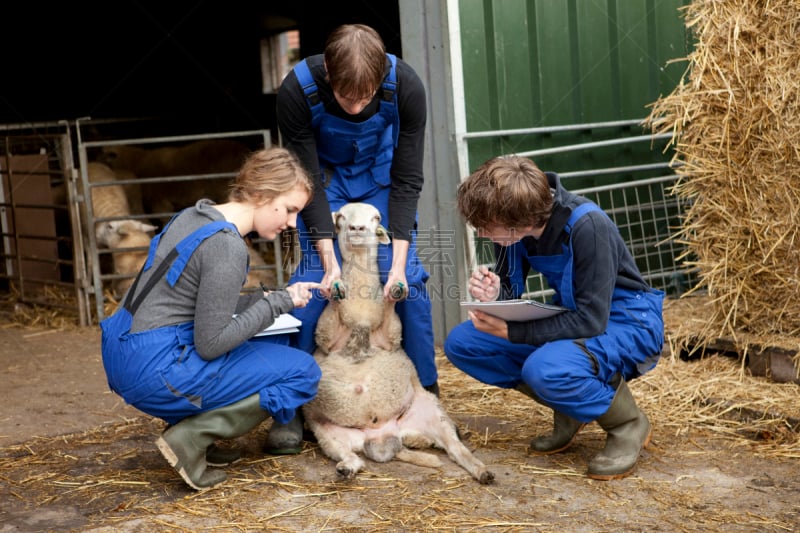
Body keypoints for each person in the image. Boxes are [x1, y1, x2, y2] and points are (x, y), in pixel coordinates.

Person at [100, 147, 323, 491]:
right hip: (156, 367)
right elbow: (211, 343)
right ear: (262, 195)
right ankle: (190, 437)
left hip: (124, 349)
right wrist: (279, 302)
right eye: (290, 209)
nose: (291, 223)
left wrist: (261, 301)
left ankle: (197, 435)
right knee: (303, 371)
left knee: (274, 341)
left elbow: (191, 298)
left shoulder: (195, 215)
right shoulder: (228, 247)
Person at [444, 155, 665, 480]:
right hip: (573, 315)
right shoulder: (516, 230)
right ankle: (571, 407)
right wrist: (495, 295)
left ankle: (626, 423)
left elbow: (592, 320)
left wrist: (512, 332)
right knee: (464, 343)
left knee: (544, 368)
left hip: (627, 322)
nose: (482, 233)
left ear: (516, 219)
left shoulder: (589, 226)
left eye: (486, 226)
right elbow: (510, 287)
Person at [271, 23, 437, 453]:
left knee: (411, 286)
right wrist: (330, 262)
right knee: (311, 285)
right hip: (324, 187)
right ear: (328, 70)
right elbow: (305, 181)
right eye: (349, 97)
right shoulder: (298, 91)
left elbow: (408, 180)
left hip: (384, 182)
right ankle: (289, 410)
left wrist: (398, 266)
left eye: (368, 96)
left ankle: (427, 398)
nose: (359, 105)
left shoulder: (406, 86)